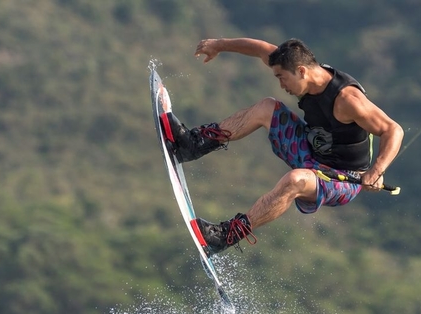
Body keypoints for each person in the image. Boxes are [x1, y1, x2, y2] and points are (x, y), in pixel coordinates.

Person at [161, 37, 404, 256]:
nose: (281, 85)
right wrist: (219, 45)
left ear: (301, 71)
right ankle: (193, 144)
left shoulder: (348, 100)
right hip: (309, 152)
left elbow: (393, 130)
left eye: (281, 78)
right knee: (268, 106)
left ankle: (226, 236)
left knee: (295, 180)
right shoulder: (296, 68)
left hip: (342, 178)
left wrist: (377, 170)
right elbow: (260, 49)